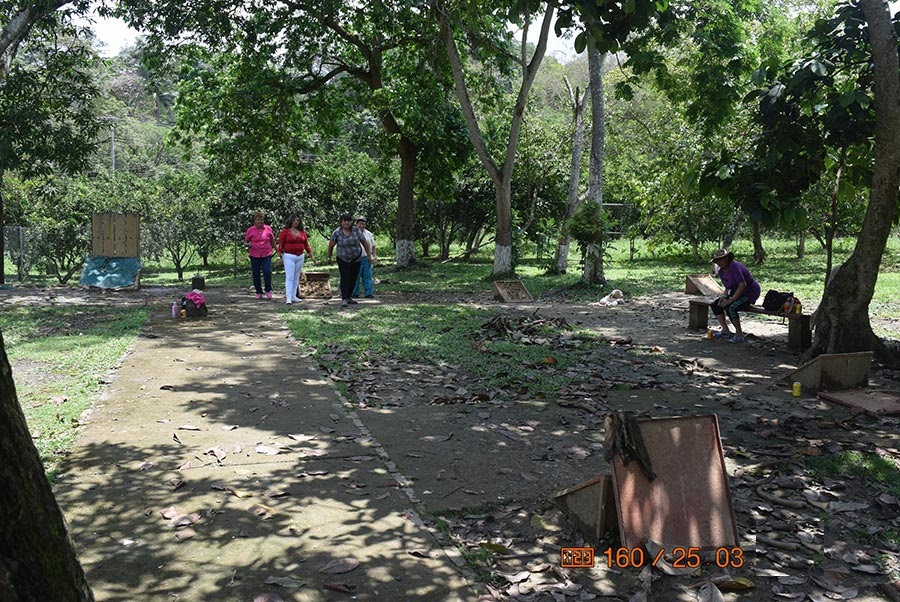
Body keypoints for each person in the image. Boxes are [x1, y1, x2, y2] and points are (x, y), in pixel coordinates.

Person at [710, 248, 760, 343]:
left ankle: (739, 334)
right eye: (717, 261)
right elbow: (727, 287)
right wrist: (724, 297)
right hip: (735, 291)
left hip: (750, 291)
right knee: (715, 305)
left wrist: (731, 300)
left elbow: (742, 285)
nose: (719, 262)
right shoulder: (720, 271)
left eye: (721, 259)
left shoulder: (735, 267)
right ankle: (725, 330)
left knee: (731, 307)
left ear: (727, 259)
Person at [327, 213, 372, 308]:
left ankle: (349, 297)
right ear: (341, 222)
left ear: (351, 222)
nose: (346, 223)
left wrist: (369, 255)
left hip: (356, 258)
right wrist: (329, 258)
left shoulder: (356, 230)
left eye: (348, 221)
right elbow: (331, 246)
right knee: (345, 277)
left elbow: (365, 243)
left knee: (353, 278)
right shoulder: (337, 232)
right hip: (342, 259)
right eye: (344, 221)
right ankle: (344, 298)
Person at [276, 214, 315, 304]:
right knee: (289, 277)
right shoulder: (285, 231)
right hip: (289, 256)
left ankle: (293, 295)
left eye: (297, 220)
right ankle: (288, 297)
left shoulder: (302, 232)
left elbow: (306, 245)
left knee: (296, 276)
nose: (296, 222)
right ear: (290, 221)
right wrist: (278, 257)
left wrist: (312, 256)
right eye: (294, 220)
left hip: (300, 256)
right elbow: (280, 245)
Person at [244, 211, 276, 299]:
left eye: (261, 220)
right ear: (255, 221)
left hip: (266, 253)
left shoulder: (268, 229)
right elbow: (245, 242)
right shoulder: (250, 230)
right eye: (258, 220)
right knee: (256, 273)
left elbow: (272, 241)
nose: (260, 221)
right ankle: (258, 291)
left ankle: (268, 290)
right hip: (254, 254)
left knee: (267, 272)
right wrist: (248, 245)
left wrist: (278, 252)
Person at [352, 217, 376, 299]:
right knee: (356, 276)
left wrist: (374, 256)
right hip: (356, 258)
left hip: (366, 257)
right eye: (360, 224)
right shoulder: (352, 233)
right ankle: (354, 293)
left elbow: (373, 246)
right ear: (356, 224)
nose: (362, 226)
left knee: (367, 276)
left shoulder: (368, 234)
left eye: (363, 224)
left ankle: (368, 293)